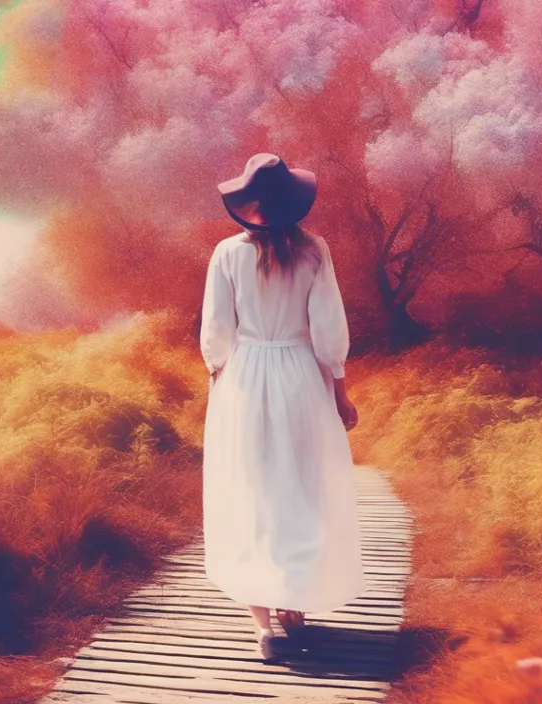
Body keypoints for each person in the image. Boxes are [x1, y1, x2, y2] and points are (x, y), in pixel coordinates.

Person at [200, 153, 363, 662]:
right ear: (295, 202)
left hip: (245, 379)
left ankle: (264, 629)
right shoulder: (315, 252)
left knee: (250, 491)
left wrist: (219, 378)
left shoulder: (227, 254)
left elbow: (216, 335)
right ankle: (296, 604)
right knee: (300, 487)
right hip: (298, 378)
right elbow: (327, 331)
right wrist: (339, 394)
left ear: (249, 204)